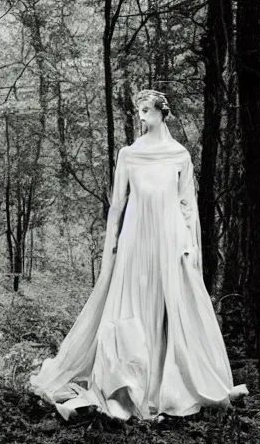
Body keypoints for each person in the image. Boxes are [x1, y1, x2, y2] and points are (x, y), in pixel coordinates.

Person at [29, 89, 247, 421]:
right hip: (135, 239)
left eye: (146, 110)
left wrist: (189, 247)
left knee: (173, 307)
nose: (141, 116)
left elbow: (188, 206)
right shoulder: (129, 154)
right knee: (132, 305)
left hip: (170, 240)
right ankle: (132, 382)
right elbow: (117, 204)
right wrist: (111, 246)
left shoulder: (180, 156)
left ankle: (169, 385)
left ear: (162, 113)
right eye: (138, 111)